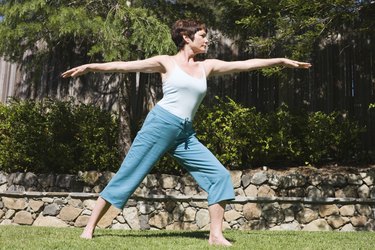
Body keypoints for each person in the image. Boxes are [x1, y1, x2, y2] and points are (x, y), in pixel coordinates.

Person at [62, 19, 311, 246]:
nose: (207, 39)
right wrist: (90, 66)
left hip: (184, 133)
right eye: (202, 35)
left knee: (219, 176)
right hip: (159, 126)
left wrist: (279, 61)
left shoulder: (207, 66)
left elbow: (244, 65)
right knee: (129, 175)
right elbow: (125, 66)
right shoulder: (166, 62)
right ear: (185, 37)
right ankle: (89, 228)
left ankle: (215, 235)